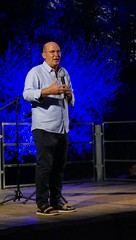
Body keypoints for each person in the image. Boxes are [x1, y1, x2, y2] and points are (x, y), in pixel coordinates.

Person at [23, 41, 76, 215]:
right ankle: (42, 204)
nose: (56, 54)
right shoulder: (36, 72)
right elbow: (27, 94)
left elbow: (72, 99)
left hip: (62, 127)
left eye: (58, 51)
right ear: (43, 54)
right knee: (45, 166)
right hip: (44, 127)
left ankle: (56, 201)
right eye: (52, 51)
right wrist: (47, 91)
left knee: (59, 167)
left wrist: (69, 95)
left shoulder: (64, 72)